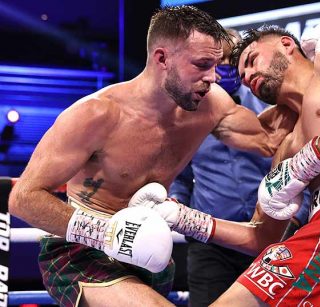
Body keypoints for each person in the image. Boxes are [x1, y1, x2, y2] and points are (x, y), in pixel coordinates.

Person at [7, 7, 296, 306]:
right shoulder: (96, 114)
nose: (213, 77)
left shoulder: (211, 107)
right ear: (162, 59)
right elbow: (23, 199)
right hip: (82, 251)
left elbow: (270, 140)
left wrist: (307, 76)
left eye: (215, 65)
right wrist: (108, 234)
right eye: (202, 64)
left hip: (151, 257)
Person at [150, 24, 320, 306]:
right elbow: (260, 236)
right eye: (243, 76)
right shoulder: (288, 144)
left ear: (286, 45)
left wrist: (301, 167)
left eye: (251, 61)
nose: (248, 76)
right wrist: (183, 218)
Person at [169, 28, 271, 306]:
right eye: (217, 60)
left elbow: (297, 163)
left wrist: (297, 216)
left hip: (270, 234)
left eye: (230, 59)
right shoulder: (186, 115)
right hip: (211, 241)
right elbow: (180, 174)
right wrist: (177, 205)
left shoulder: (271, 106)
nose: (224, 66)